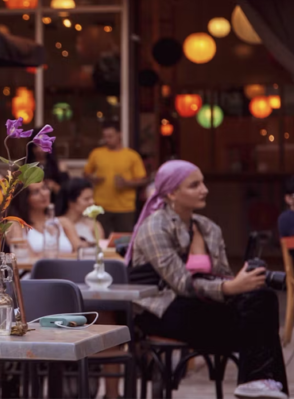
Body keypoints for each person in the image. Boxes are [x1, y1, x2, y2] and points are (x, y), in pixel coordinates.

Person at [128, 160, 288, 399]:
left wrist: (242, 284)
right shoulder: (154, 227)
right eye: (195, 185)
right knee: (254, 320)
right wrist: (230, 287)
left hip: (202, 309)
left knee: (262, 297)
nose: (205, 189)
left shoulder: (208, 228)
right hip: (163, 311)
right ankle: (261, 381)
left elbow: (220, 275)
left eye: (203, 182)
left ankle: (259, 382)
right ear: (172, 192)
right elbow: (181, 283)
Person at [84, 121, 148, 236]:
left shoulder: (131, 156)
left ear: (120, 135)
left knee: (124, 241)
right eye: (105, 137)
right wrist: (94, 178)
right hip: (100, 206)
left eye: (110, 136)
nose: (107, 140)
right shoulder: (97, 153)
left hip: (125, 208)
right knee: (99, 238)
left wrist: (126, 183)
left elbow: (143, 179)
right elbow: (86, 173)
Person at [7, 181, 88, 254]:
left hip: (68, 270)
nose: (44, 194)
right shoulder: (16, 224)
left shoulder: (63, 222)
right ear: (24, 199)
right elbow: (26, 257)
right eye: (35, 192)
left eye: (44, 188)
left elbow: (80, 253)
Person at [56, 178, 105, 245]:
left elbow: (101, 249)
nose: (92, 202)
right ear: (71, 201)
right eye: (86, 199)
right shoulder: (56, 224)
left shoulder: (94, 225)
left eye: (92, 198)